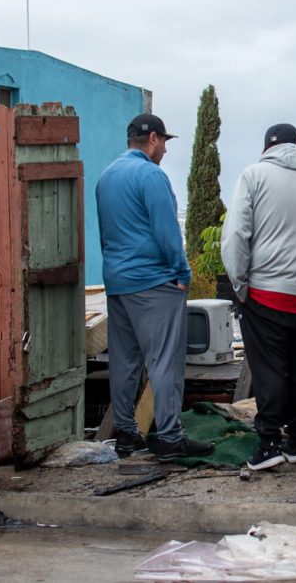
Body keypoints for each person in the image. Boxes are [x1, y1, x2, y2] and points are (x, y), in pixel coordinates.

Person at [95, 113, 214, 461]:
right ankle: (170, 437)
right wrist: (182, 273)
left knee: (124, 361)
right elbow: (167, 231)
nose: (164, 150)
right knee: (164, 362)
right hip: (154, 283)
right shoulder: (151, 175)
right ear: (153, 140)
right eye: (164, 143)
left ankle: (127, 435)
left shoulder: (107, 177)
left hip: (117, 284)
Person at [221, 123, 296, 470]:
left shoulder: (254, 176)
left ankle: (269, 443)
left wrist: (240, 288)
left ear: (265, 147)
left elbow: (236, 236)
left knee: (269, 371)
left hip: (266, 293)